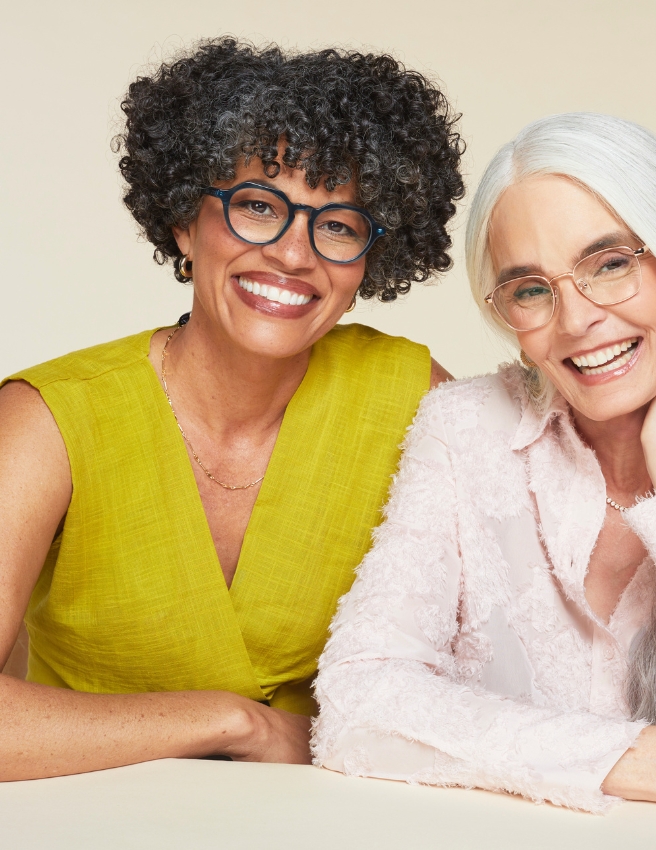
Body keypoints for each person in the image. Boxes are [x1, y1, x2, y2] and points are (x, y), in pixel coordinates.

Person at [313, 113, 656, 825]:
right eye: (531, 289)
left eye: (609, 264)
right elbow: (355, 707)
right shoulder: (466, 429)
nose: (575, 320)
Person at [0, 37, 463, 780]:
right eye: (257, 206)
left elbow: (499, 662)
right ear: (185, 222)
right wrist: (235, 724)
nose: (293, 254)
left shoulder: (412, 397)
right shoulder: (49, 419)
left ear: (369, 262)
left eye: (338, 225)